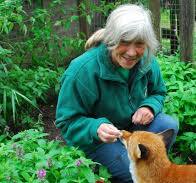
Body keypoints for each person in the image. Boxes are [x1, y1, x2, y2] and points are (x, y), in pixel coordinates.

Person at [55, 4, 179, 182]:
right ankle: (105, 168)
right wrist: (94, 128)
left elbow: (158, 92)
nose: (132, 52)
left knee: (168, 125)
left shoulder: (147, 61)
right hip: (96, 140)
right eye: (125, 42)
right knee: (131, 173)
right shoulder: (81, 71)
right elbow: (66, 121)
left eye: (139, 44)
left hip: (130, 129)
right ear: (111, 39)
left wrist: (149, 107)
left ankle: (145, 166)